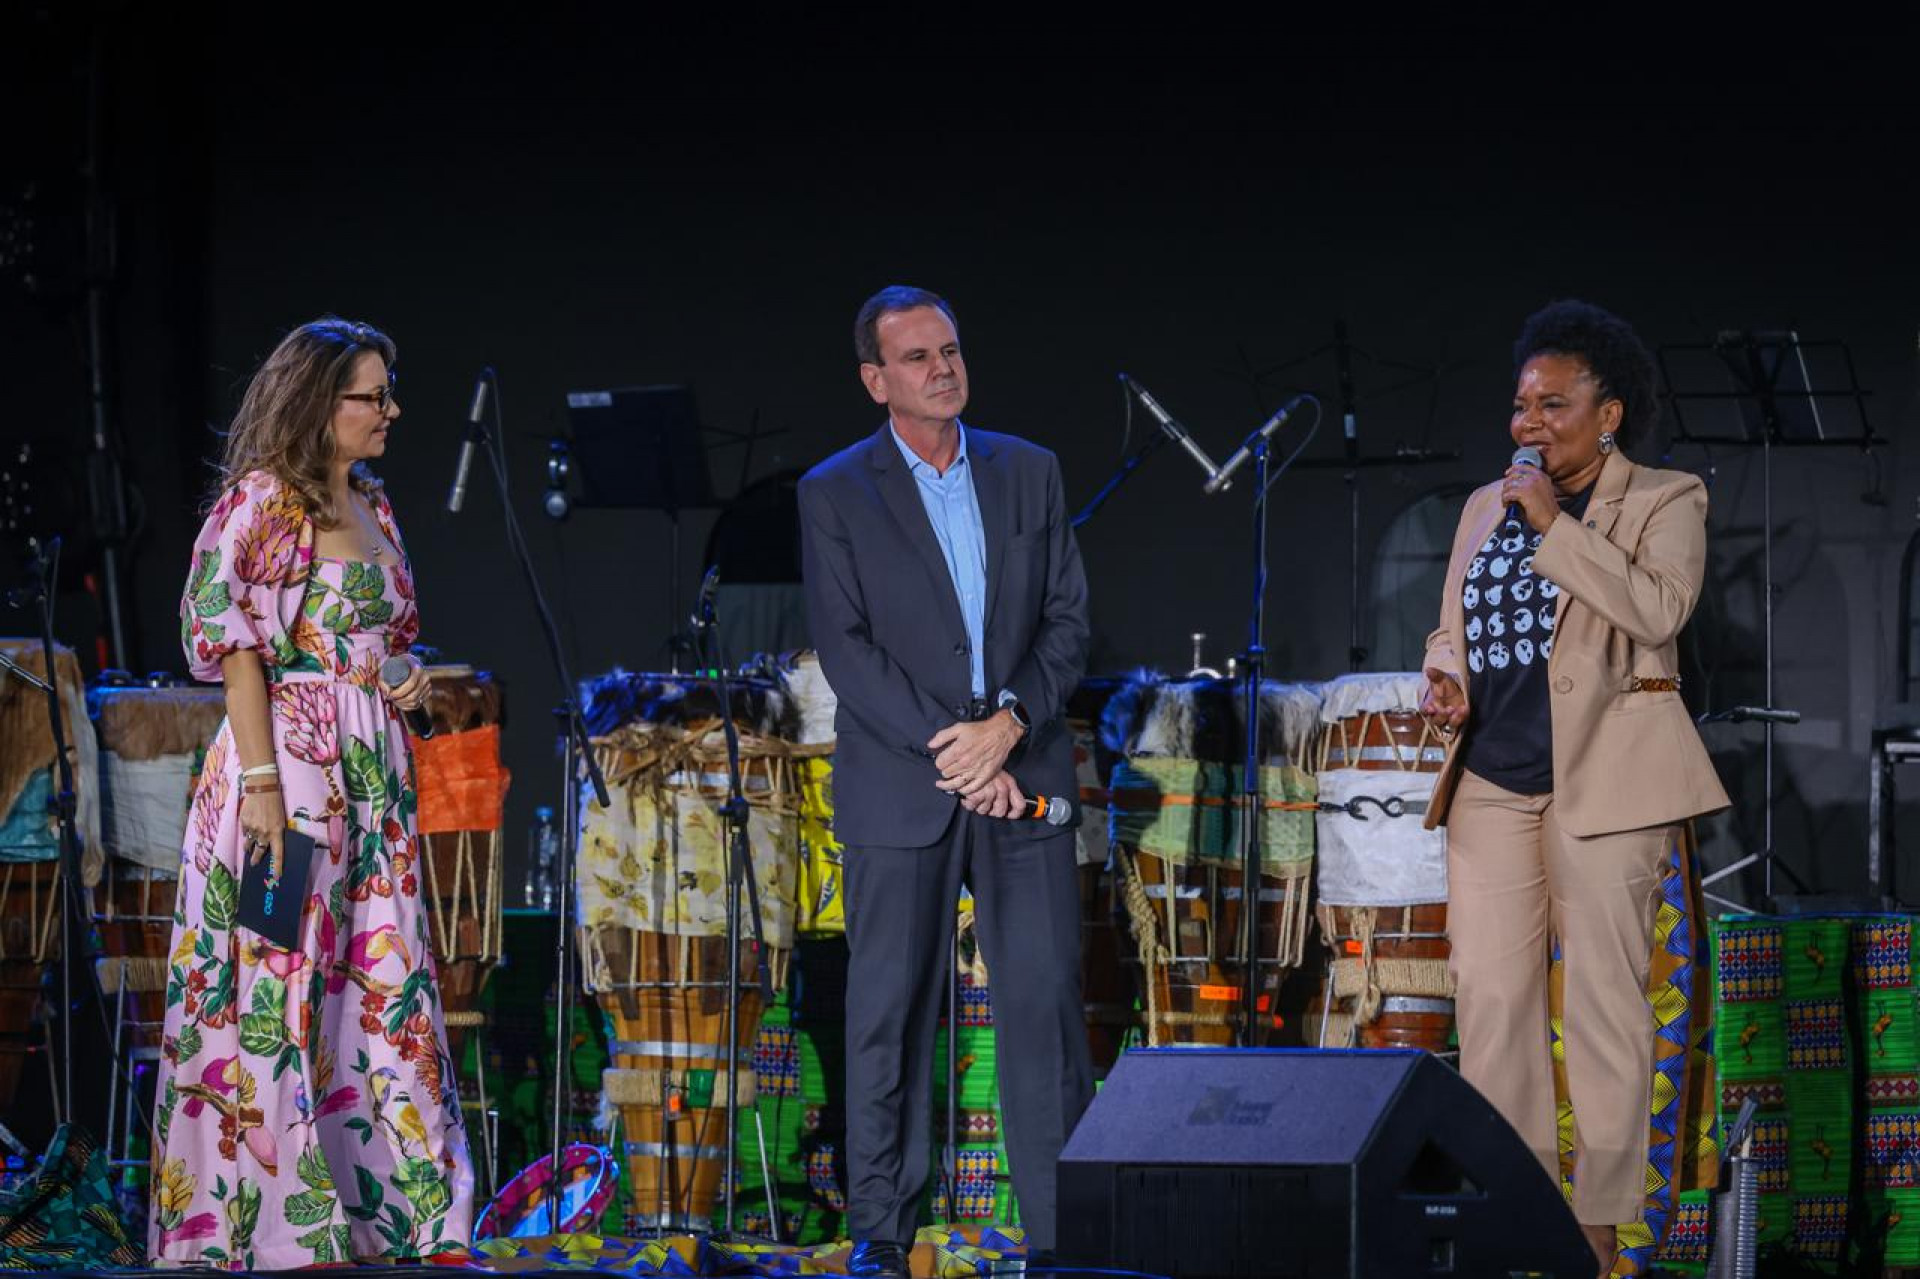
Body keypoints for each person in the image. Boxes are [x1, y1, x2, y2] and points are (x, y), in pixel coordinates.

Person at [150, 318, 473, 1267]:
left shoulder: (374, 501)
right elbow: (238, 648)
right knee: (278, 983)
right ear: (319, 403)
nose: (390, 411)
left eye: (388, 391)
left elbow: (390, 635)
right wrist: (259, 787)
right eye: (372, 395)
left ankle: (399, 1212)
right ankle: (277, 1223)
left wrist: (405, 673)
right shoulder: (264, 502)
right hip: (286, 770)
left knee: (379, 986)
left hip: (373, 781)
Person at [1419, 300, 1728, 1277]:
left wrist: (1556, 527)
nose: (1530, 424)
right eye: (1521, 405)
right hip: (1492, 783)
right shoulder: (1483, 504)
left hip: (1608, 780)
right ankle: (1514, 1213)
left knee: (1603, 1001)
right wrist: (1445, 672)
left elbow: (1655, 611)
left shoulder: (1668, 497)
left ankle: (1600, 1231)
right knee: (1493, 999)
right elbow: (1454, 622)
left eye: (1555, 404)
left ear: (1610, 414)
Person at [798, 286, 1093, 1277]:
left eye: (951, 349)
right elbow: (847, 648)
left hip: (1023, 769)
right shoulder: (835, 490)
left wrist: (1008, 724)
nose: (942, 367)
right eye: (917, 357)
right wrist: (957, 750)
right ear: (877, 381)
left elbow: (1067, 620)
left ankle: (1059, 1233)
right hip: (903, 786)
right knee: (886, 1012)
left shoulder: (1031, 471)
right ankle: (884, 1231)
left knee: (1045, 1008)